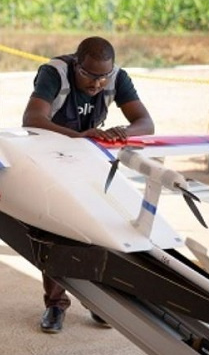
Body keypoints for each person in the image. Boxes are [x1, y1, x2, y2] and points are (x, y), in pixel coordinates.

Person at [22, 36, 155, 334]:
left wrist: (123, 130)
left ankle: (97, 301)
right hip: (51, 157)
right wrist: (77, 138)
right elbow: (32, 119)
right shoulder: (54, 72)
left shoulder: (117, 77)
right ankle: (55, 305)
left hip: (90, 159)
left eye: (103, 77)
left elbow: (146, 122)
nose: (97, 84)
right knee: (57, 230)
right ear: (76, 63)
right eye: (90, 75)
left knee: (99, 228)